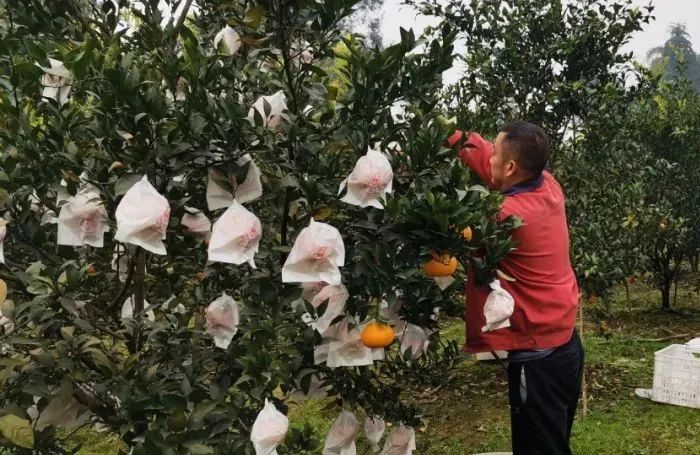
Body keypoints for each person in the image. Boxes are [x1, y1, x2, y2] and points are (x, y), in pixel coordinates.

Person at [446, 121, 584, 455]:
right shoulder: (548, 185)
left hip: (539, 359)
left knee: (539, 448)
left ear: (510, 166)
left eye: (496, 151)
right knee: (552, 441)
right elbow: (490, 166)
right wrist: (451, 133)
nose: (489, 155)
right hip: (565, 344)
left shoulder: (503, 217)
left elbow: (447, 230)